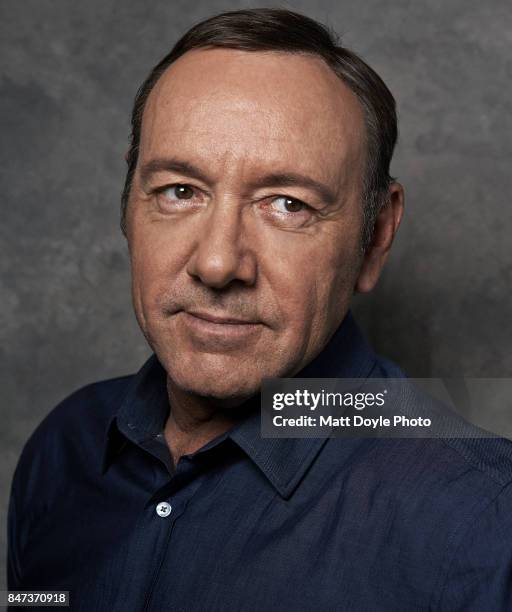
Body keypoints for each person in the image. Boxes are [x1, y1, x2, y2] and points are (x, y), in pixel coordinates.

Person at [7, 8, 512, 611]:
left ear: (375, 237)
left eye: (288, 204)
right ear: (128, 204)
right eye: (179, 191)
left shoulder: (484, 519)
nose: (218, 264)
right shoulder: (66, 449)